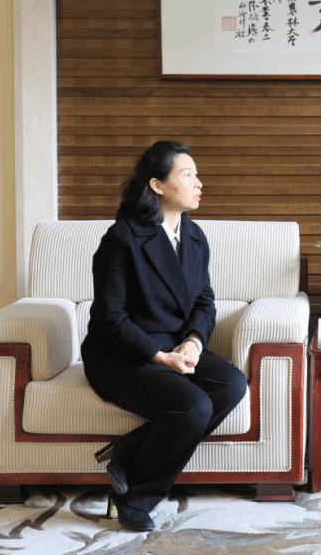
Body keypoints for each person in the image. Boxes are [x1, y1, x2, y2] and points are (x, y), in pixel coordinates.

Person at [81, 140, 248, 532]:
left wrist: (193, 342)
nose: (199, 183)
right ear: (157, 185)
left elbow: (204, 302)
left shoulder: (194, 236)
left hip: (173, 345)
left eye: (197, 174)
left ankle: (127, 450)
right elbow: (110, 318)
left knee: (231, 384)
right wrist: (160, 357)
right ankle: (137, 497)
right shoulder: (122, 238)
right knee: (193, 406)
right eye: (188, 175)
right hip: (121, 355)